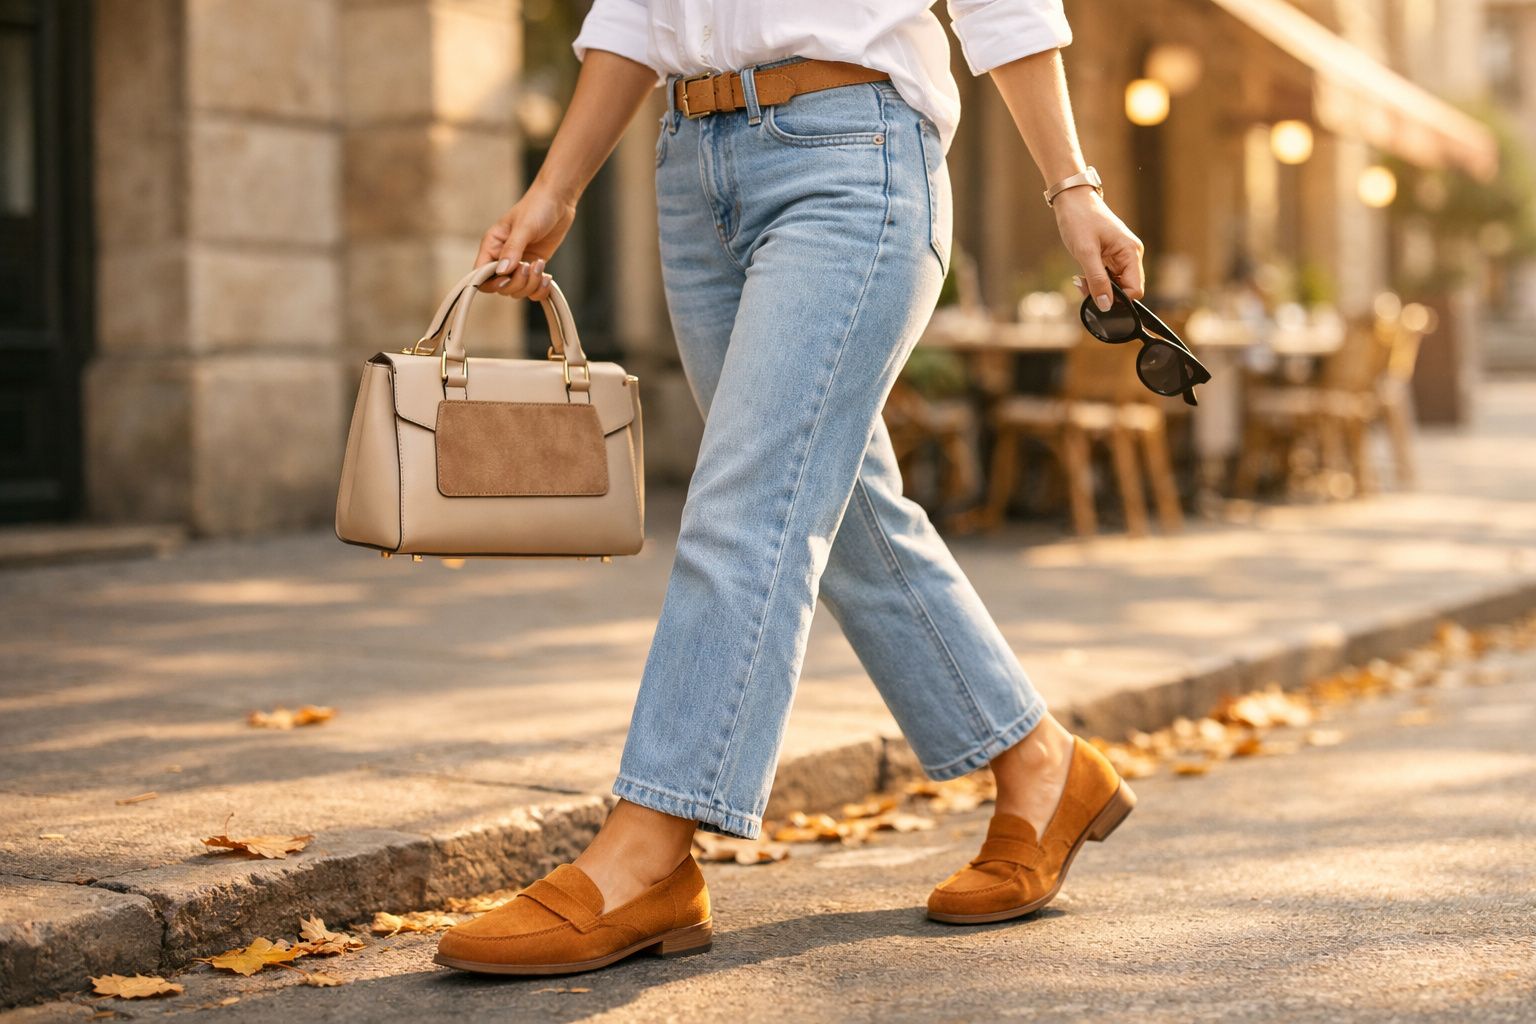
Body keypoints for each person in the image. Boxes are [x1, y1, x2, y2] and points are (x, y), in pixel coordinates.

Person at [434, 0, 1146, 977]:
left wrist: (1072, 185)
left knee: (746, 506)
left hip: (853, 157)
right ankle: (1039, 763)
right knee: (847, 511)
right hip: (691, 167)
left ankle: (647, 848)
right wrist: (556, 190)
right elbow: (635, 14)